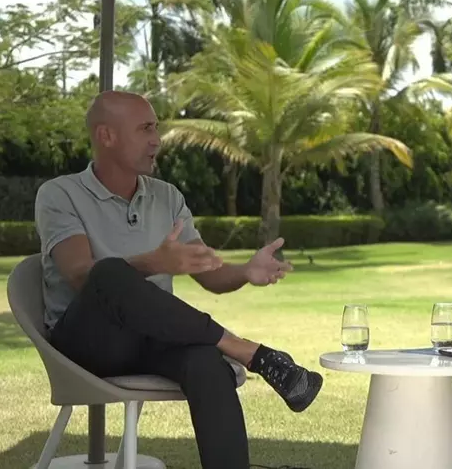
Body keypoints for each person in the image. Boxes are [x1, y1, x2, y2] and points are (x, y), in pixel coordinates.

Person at [34, 90, 323, 469]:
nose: (157, 140)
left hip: (150, 339)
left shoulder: (167, 197)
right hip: (87, 344)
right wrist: (153, 262)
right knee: (108, 272)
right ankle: (248, 351)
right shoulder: (60, 194)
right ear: (106, 136)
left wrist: (244, 271)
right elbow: (79, 275)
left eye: (156, 128)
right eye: (145, 129)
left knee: (207, 361)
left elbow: (209, 273)